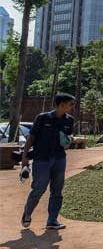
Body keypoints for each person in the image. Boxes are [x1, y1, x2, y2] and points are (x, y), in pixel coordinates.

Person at [20, 93, 75, 230]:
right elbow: (31, 137)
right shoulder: (43, 118)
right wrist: (24, 156)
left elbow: (68, 137)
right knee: (39, 188)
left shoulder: (69, 120)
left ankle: (52, 220)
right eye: (70, 104)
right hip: (42, 159)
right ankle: (27, 213)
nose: (72, 107)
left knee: (57, 190)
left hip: (59, 158)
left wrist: (68, 141)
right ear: (61, 104)